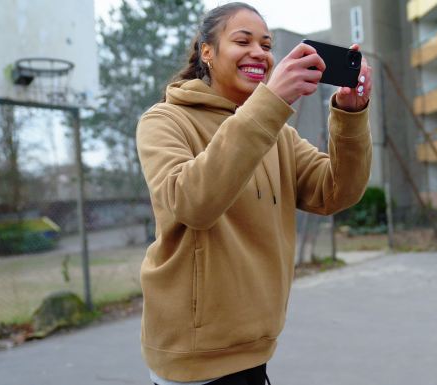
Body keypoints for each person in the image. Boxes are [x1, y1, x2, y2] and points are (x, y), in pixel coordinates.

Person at [135, 2, 372, 385]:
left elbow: (335, 192)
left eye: (266, 44)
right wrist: (270, 103)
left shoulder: (276, 131)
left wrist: (350, 114)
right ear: (207, 51)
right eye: (242, 41)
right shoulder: (164, 121)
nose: (259, 54)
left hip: (257, 346)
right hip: (195, 355)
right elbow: (191, 203)